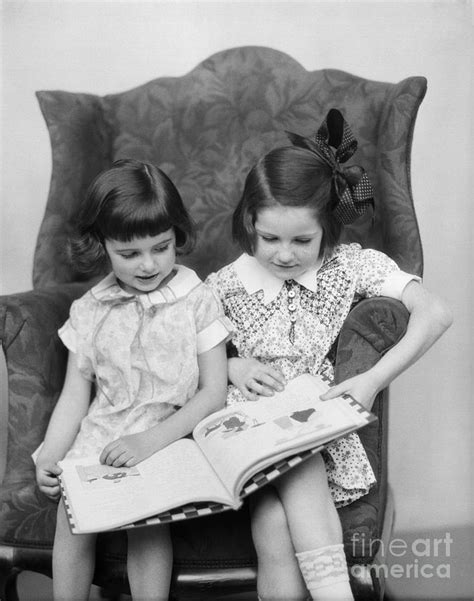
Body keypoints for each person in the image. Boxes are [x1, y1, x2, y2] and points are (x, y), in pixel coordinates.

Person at [206, 109, 452, 601]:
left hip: (311, 422)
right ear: (248, 223)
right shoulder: (226, 284)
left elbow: (437, 313)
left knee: (274, 521)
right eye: (269, 238)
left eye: (302, 240)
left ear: (327, 229)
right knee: (297, 468)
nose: (283, 254)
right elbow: (177, 350)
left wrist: (372, 379)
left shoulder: (348, 267)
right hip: (245, 432)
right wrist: (230, 363)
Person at [35, 159, 232, 601]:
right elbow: (73, 396)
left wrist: (149, 443)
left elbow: (214, 392)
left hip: (168, 434)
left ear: (175, 236)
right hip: (101, 435)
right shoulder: (90, 308)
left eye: (161, 247)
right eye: (129, 254)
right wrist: (50, 453)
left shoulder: (196, 299)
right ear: (101, 245)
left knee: (147, 523)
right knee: (72, 514)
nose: (148, 264)